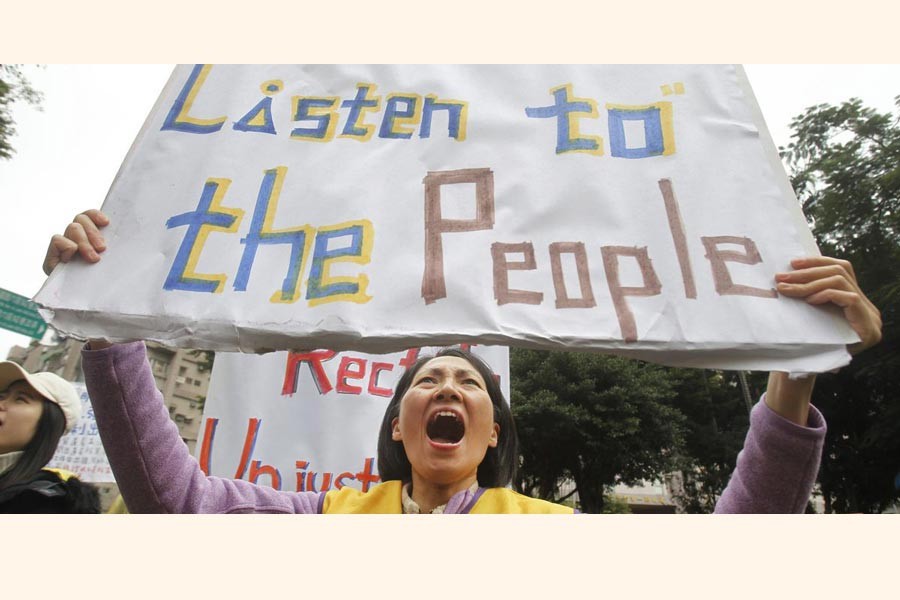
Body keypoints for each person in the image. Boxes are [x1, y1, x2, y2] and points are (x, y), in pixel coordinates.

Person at [42, 210, 882, 513]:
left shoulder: (549, 538)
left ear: (493, 433)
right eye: (427, 380)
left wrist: (796, 359)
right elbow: (170, 495)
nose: (447, 384)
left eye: (469, 380)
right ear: (401, 427)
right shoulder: (318, 520)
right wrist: (109, 314)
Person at [0, 360, 101, 513]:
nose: (1, 404)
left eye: (20, 399)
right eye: (2, 396)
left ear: (48, 424)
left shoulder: (47, 503)